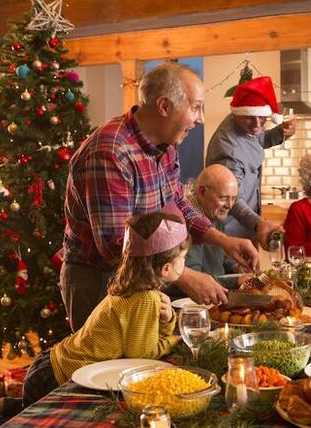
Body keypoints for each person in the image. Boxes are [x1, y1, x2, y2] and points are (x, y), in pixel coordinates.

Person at [62, 63, 258, 331]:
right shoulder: (110, 152)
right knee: (104, 368)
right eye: (196, 107)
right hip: (100, 280)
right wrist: (184, 276)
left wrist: (223, 240)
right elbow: (115, 246)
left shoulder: (165, 146)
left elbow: (177, 205)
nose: (200, 118)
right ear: (164, 106)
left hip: (144, 276)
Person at [0, 211, 189, 428]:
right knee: (34, 420)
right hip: (58, 376)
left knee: (30, 406)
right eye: (183, 258)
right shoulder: (145, 298)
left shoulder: (131, 288)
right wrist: (176, 338)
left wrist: (167, 319)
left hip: (52, 365)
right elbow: (141, 357)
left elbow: (140, 343)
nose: (184, 263)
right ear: (166, 268)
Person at [206, 76, 296, 246]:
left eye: (262, 117)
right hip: (229, 234)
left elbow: (257, 139)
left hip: (246, 229)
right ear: (237, 113)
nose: (256, 124)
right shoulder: (229, 150)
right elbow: (230, 200)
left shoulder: (243, 121)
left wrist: (282, 133)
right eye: (250, 118)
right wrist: (259, 223)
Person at [175, 164, 252, 290]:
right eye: (224, 198)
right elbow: (195, 281)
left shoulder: (214, 214)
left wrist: (235, 267)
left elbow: (217, 263)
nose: (230, 205)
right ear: (202, 192)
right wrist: (236, 281)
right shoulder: (187, 225)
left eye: (233, 199)